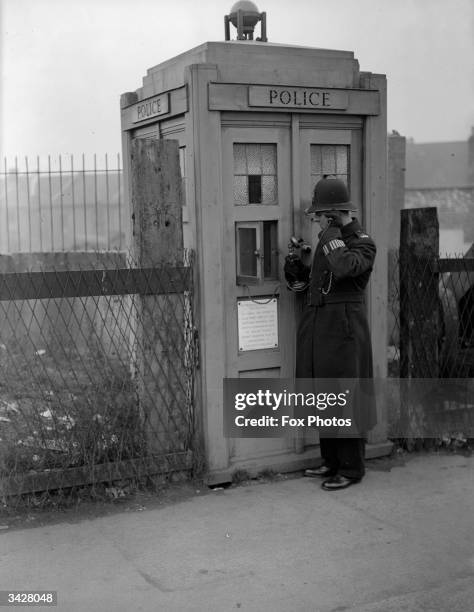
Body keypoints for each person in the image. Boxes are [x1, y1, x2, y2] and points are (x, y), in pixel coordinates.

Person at [284, 177, 377, 491]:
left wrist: (331, 236)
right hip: (320, 323)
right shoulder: (328, 240)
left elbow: (344, 269)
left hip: (345, 327)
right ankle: (331, 461)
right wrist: (298, 262)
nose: (315, 220)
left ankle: (351, 469)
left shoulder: (362, 242)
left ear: (334, 214)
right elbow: (306, 285)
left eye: (319, 215)